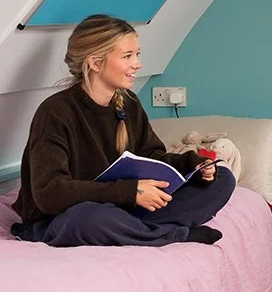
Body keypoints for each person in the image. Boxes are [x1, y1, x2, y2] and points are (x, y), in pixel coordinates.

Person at [10, 14, 235, 247]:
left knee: (223, 178)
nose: (137, 64)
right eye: (127, 56)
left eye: (136, 55)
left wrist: (192, 165)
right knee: (91, 219)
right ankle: (171, 234)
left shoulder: (129, 103)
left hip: (122, 208)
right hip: (63, 217)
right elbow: (50, 194)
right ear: (95, 63)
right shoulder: (56, 112)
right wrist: (130, 192)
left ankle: (144, 230)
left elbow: (152, 158)